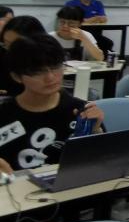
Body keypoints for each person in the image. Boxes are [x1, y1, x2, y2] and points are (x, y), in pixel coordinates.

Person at [0, 34, 105, 176]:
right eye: (37, 71)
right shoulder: (4, 114)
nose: (50, 77)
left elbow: (104, 163)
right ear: (17, 76)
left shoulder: (81, 111)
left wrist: (96, 130)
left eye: (55, 66)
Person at [1, 16, 47, 98]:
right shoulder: (3, 52)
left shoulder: (44, 60)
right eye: (6, 43)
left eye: (15, 45)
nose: (9, 50)